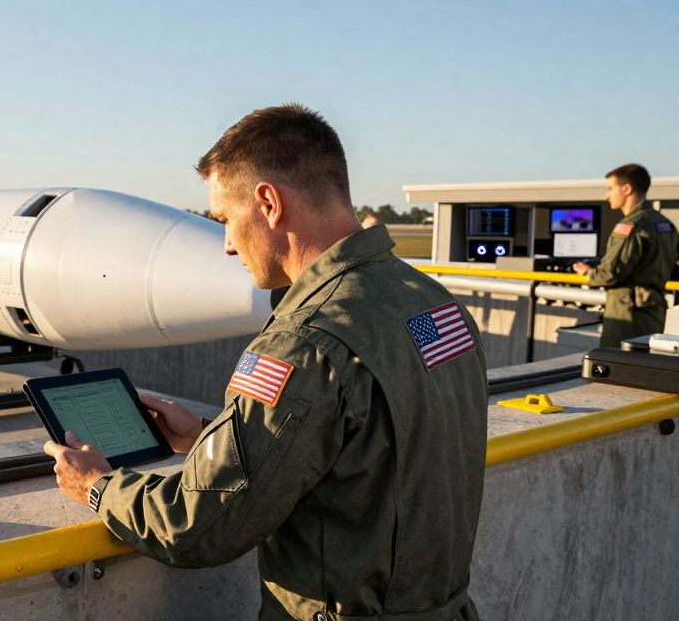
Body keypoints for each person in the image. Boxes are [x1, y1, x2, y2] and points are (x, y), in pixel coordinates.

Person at [45, 104, 488, 620]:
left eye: (225, 221)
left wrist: (98, 487)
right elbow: (370, 445)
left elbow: (199, 528)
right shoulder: (432, 303)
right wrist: (208, 436)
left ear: (269, 204)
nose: (228, 245)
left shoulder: (304, 342)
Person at [571, 164, 678, 348]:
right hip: (654, 312)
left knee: (616, 362)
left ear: (627, 189)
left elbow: (610, 274)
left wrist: (588, 273)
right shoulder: (665, 224)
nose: (606, 195)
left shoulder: (630, 227)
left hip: (626, 314)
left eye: (610, 188)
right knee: (645, 362)